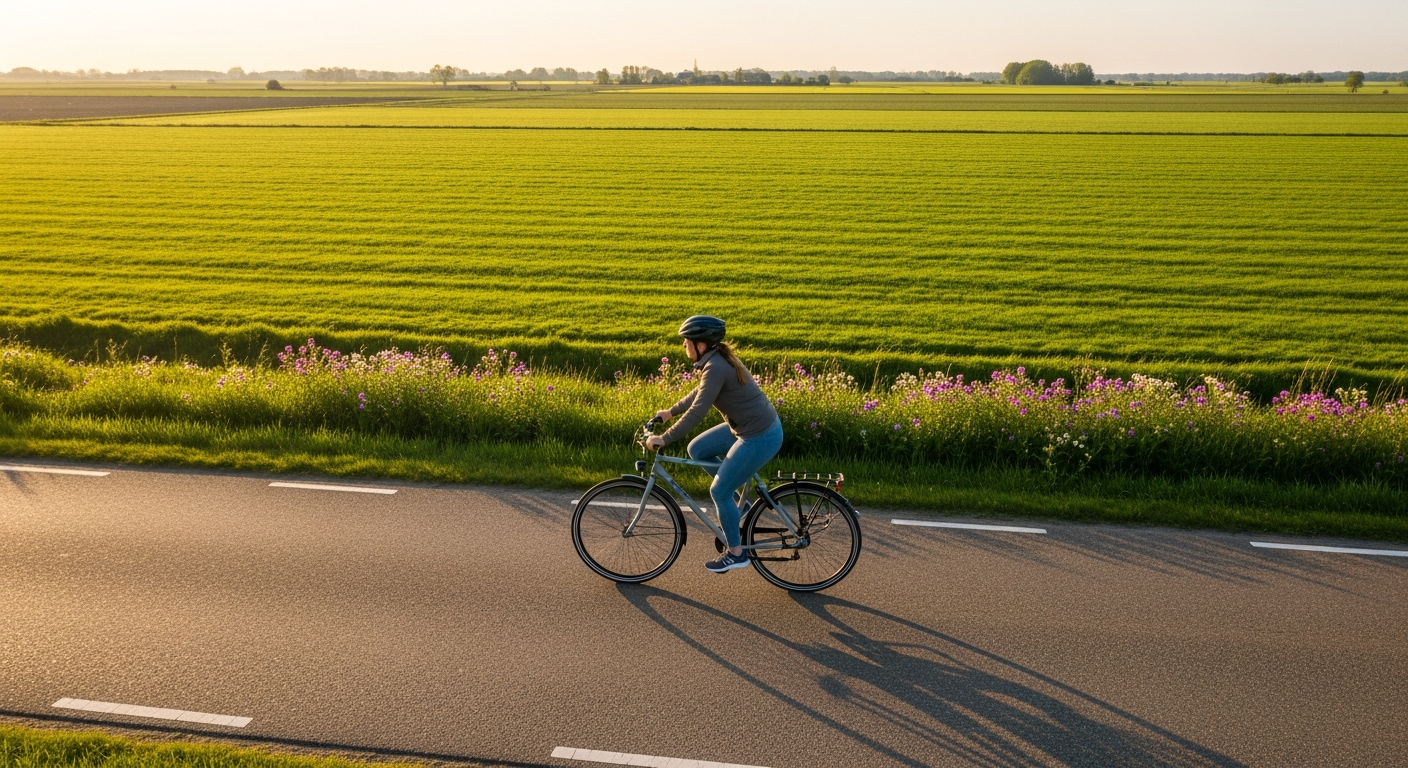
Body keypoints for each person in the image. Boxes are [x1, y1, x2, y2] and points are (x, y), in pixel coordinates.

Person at [645, 316, 784, 573]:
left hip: (760, 436)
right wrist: (670, 412)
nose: (684, 346)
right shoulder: (716, 360)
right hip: (747, 427)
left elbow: (698, 411)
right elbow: (700, 392)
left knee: (718, 492)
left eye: (686, 341)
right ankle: (737, 507)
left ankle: (736, 553)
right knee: (697, 449)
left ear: (701, 344)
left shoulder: (716, 366)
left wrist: (664, 438)